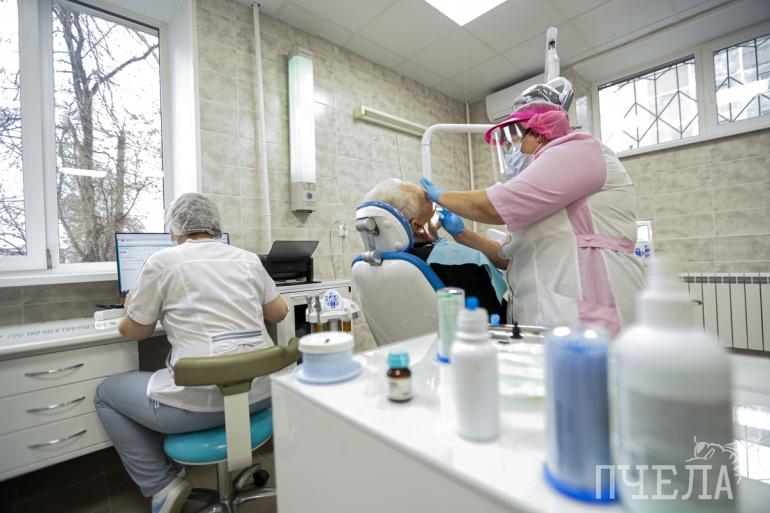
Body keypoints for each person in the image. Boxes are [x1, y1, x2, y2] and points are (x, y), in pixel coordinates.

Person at [95, 193, 288, 513]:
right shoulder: (248, 259)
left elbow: (135, 332)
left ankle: (162, 483)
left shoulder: (162, 261)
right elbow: (279, 313)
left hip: (203, 405)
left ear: (177, 225)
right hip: (260, 394)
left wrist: (132, 307)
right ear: (215, 225)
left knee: (106, 393)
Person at [421, 100, 645, 336]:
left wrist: (441, 196)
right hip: (542, 317)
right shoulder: (538, 195)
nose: (508, 150)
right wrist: (461, 233)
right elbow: (509, 256)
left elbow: (495, 207)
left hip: (592, 304)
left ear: (539, 134)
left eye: (512, 141)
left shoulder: (579, 150)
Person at [363, 178, 506, 318]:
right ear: (417, 226)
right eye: (429, 200)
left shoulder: (374, 263)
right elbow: (496, 317)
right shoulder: (460, 260)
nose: (437, 206)